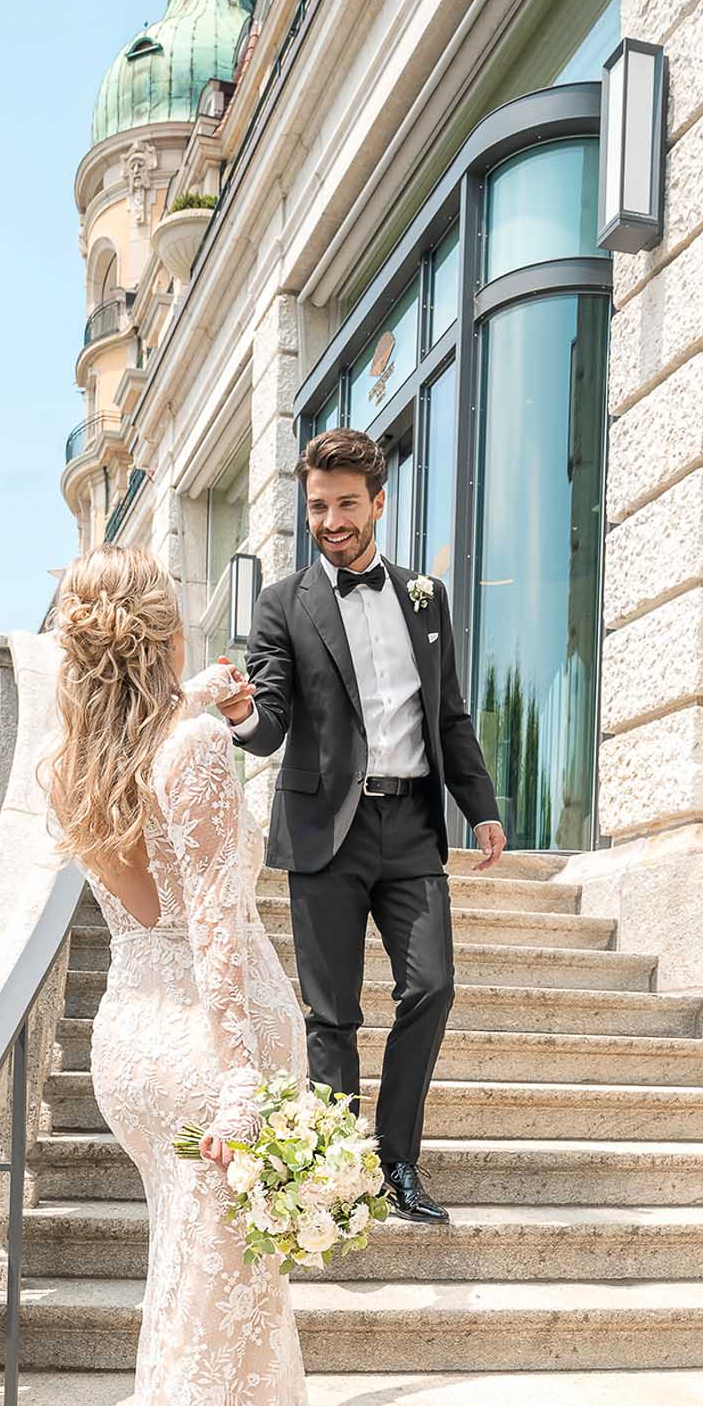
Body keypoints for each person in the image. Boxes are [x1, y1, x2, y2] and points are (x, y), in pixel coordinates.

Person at [0, 544, 316, 1406]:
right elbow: (216, 930)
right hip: (214, 1043)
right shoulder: (194, 752)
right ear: (161, 639)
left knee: (198, 1296)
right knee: (220, 1316)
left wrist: (200, 703)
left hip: (132, 1051)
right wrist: (250, 1092)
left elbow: (149, 835)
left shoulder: (65, 765)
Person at [221, 426, 506, 1224]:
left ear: (378, 503)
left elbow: (446, 710)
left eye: (347, 504)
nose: (331, 520)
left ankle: (397, 1161)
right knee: (332, 1014)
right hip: (324, 829)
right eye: (317, 506)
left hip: (411, 825)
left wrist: (479, 807)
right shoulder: (282, 603)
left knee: (433, 987)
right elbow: (271, 721)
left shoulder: (425, 597)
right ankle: (336, 1175)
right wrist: (244, 710)